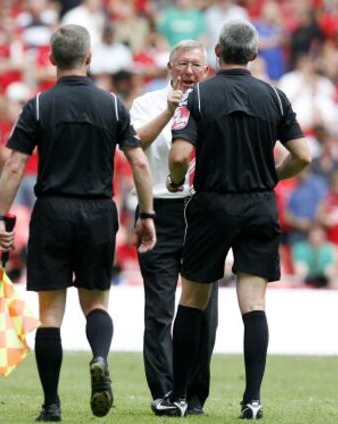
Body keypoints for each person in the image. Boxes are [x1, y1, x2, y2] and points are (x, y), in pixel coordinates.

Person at [0, 24, 156, 422]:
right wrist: (147, 213)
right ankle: (99, 357)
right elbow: (137, 161)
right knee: (96, 303)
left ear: (51, 60)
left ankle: (51, 405)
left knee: (50, 314)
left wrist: (2, 215)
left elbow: (15, 163)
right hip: (98, 212)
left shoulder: (38, 106)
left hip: (52, 211)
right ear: (89, 58)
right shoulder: (113, 105)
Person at [160, 20, 311, 419]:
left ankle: (177, 395)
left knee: (192, 300)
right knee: (254, 304)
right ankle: (252, 399)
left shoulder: (198, 97)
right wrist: (270, 176)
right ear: (254, 55)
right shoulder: (276, 98)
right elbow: (304, 155)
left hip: (212, 204)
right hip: (260, 206)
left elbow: (178, 156)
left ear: (218, 55)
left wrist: (176, 183)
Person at [130, 40, 219, 416]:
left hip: (202, 209)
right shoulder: (148, 103)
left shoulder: (216, 102)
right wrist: (169, 112)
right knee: (160, 308)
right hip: (158, 211)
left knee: (204, 308)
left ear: (207, 71)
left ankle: (195, 393)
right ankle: (165, 392)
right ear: (169, 67)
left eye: (195, 64)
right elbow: (133, 144)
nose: (188, 70)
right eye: (181, 63)